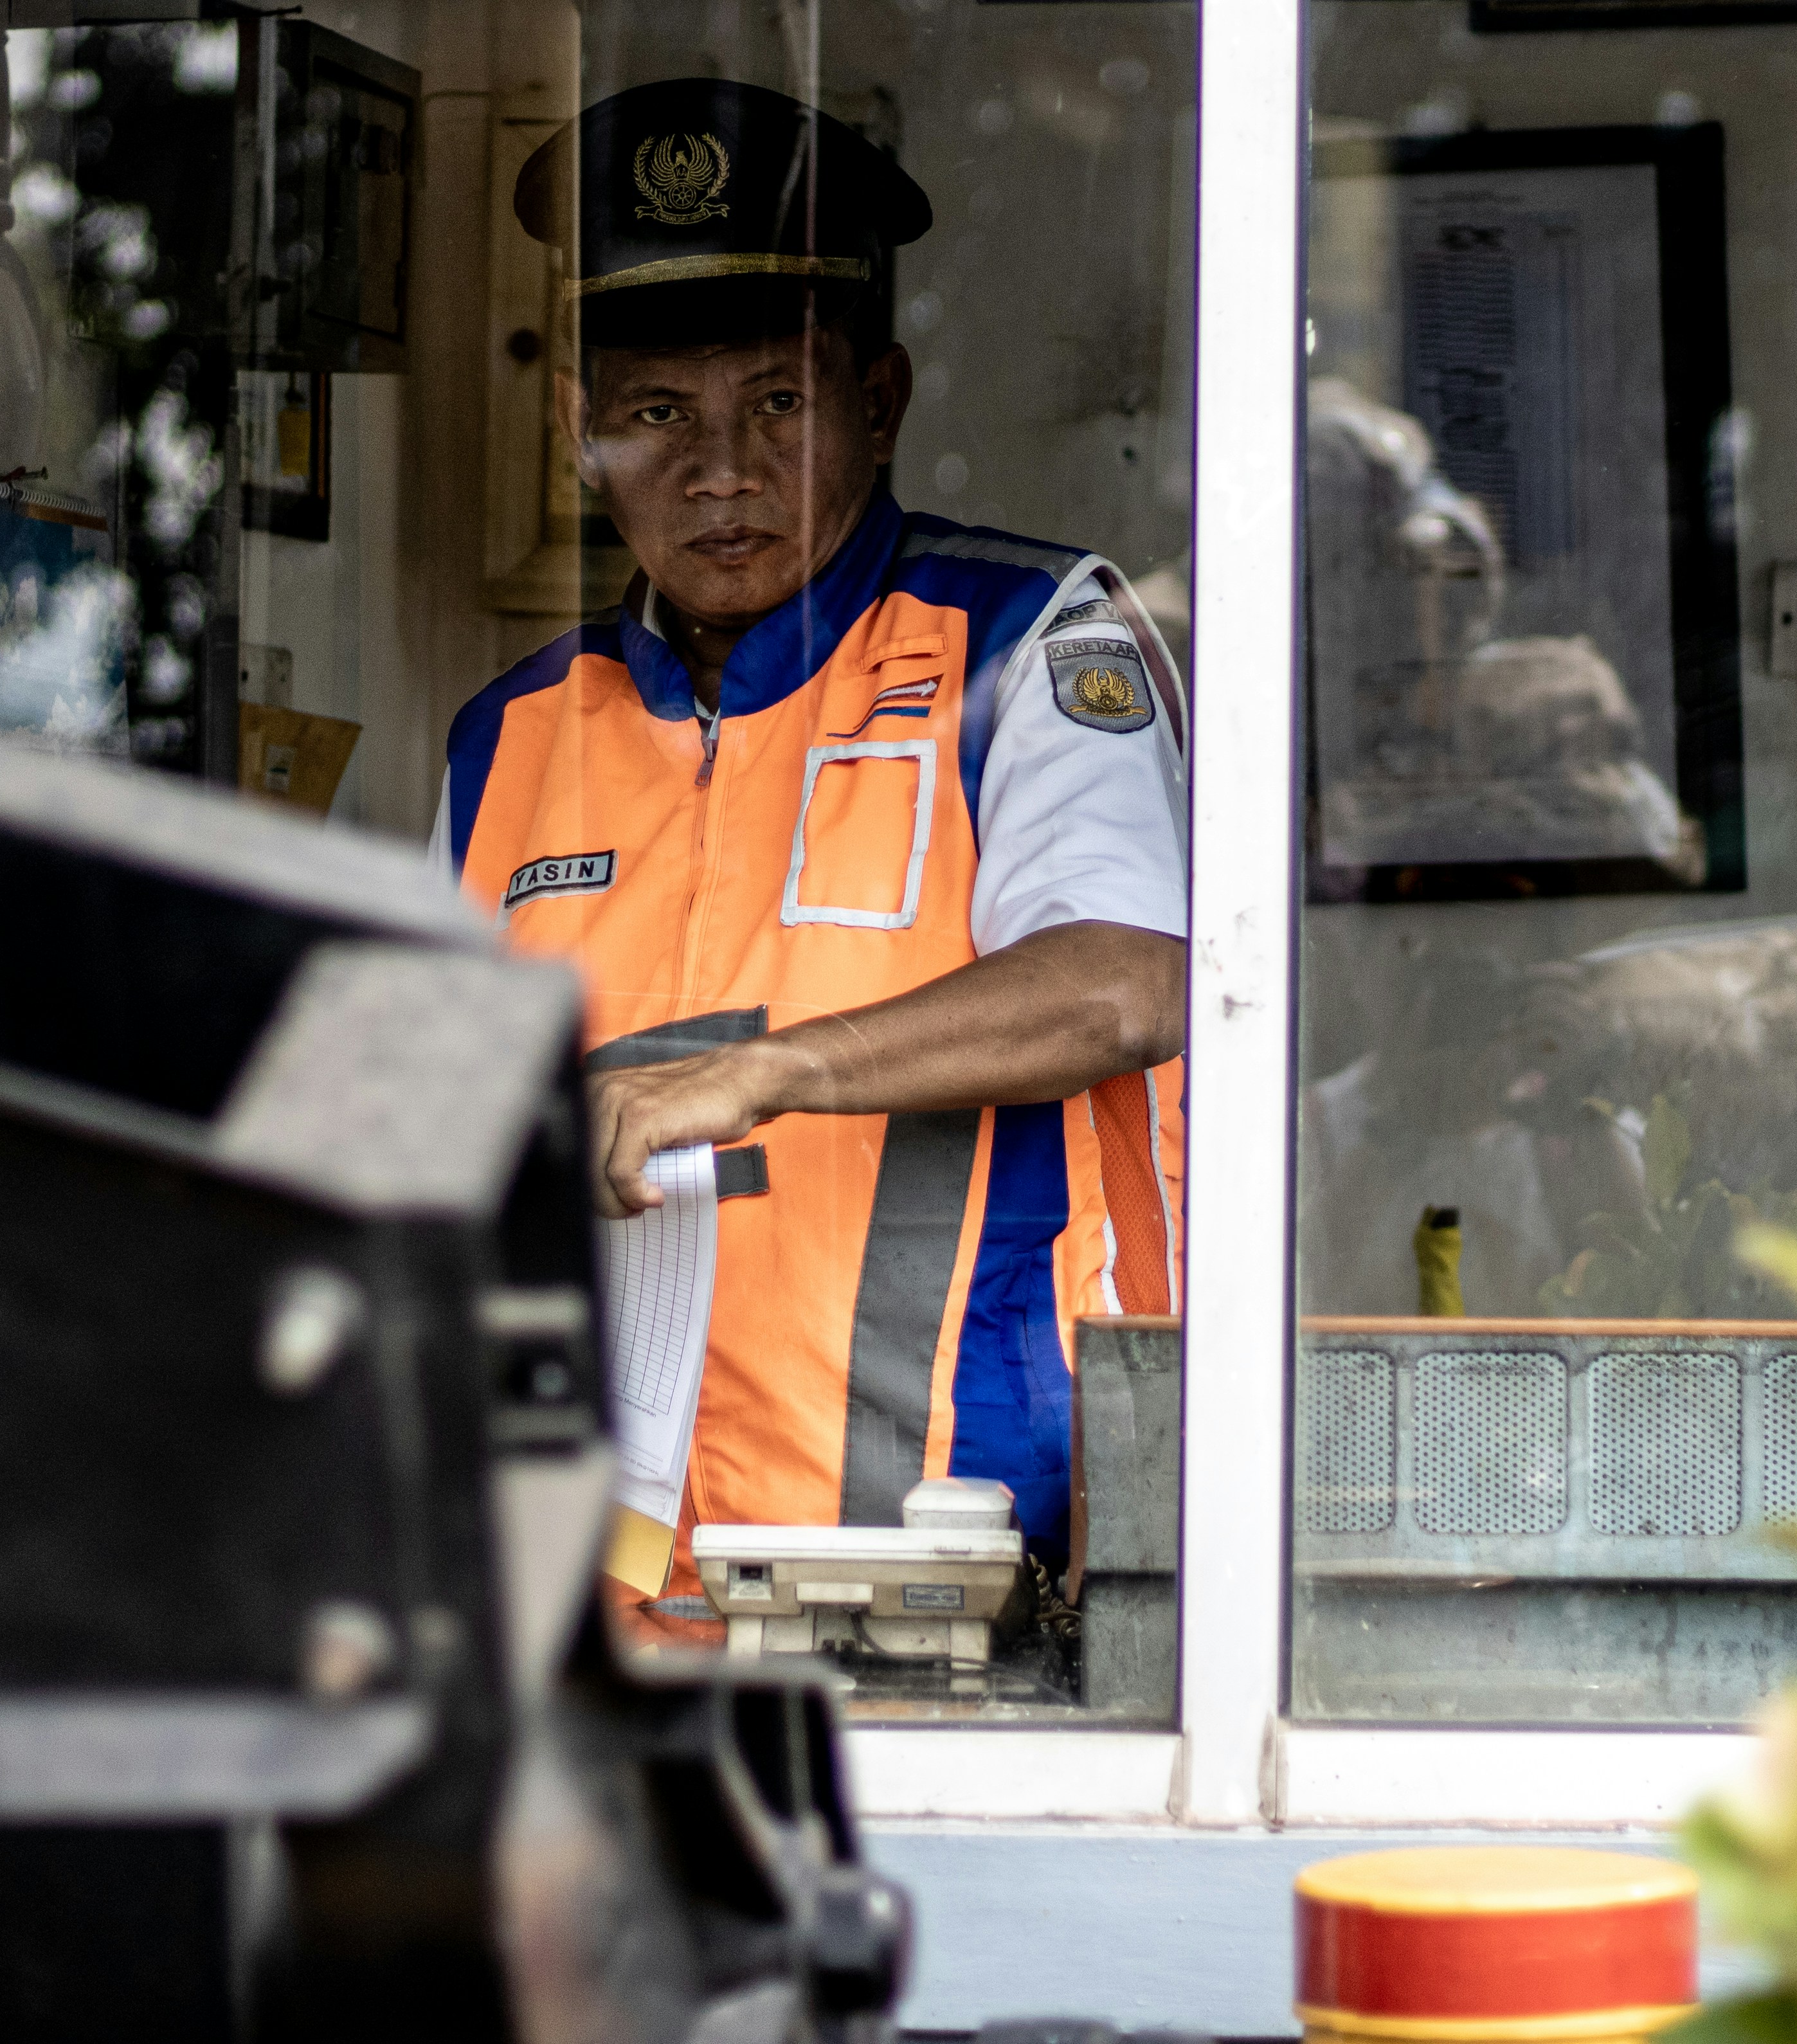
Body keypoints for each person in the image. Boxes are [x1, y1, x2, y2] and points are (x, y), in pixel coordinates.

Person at [435, 78, 1191, 1632]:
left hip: (967, 1572)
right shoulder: (510, 734)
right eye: (654, 414)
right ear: (577, 428)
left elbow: (1125, 984)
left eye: (775, 403)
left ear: (880, 400)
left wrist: (769, 1071)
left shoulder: (1023, 644)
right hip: (599, 1598)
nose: (717, 468)